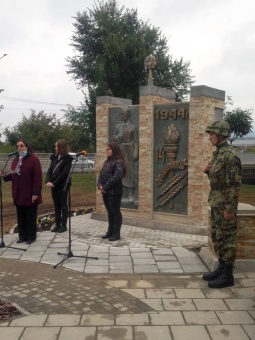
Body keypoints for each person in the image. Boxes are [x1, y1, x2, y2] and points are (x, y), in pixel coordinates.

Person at [202, 120, 242, 288]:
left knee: (228, 239)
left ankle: (228, 275)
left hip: (225, 205)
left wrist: (229, 209)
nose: (209, 137)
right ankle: (221, 268)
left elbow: (233, 185)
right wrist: (208, 172)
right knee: (219, 237)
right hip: (216, 202)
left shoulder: (230, 156)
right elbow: (218, 182)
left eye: (212, 134)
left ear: (220, 135)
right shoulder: (218, 154)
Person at [3, 139, 42, 244]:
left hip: (29, 193)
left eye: (21, 146)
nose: (19, 148)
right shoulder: (16, 160)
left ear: (27, 147)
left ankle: (31, 237)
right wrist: (6, 176)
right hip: (18, 193)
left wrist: (35, 193)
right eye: (17, 146)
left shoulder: (33, 159)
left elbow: (37, 178)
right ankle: (22, 236)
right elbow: (15, 175)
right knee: (20, 216)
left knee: (30, 216)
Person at [97, 142, 126, 241]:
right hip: (105, 192)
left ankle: (116, 233)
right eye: (107, 149)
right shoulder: (107, 162)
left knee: (115, 212)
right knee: (109, 212)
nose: (107, 151)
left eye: (108, 149)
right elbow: (101, 174)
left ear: (114, 150)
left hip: (114, 192)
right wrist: (99, 185)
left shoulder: (118, 162)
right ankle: (110, 231)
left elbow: (116, 177)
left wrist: (105, 187)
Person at [46, 139, 73, 233]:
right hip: (53, 185)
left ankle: (64, 225)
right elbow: (50, 170)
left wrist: (54, 183)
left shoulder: (67, 159)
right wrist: (47, 180)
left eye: (56, 146)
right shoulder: (54, 157)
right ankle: (57, 224)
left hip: (62, 185)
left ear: (61, 147)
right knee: (56, 205)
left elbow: (64, 174)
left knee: (63, 205)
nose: (55, 148)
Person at [113, 106, 138, 204]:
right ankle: (120, 192)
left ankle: (131, 193)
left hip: (130, 150)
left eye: (123, 114)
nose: (122, 116)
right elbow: (113, 138)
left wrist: (136, 152)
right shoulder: (118, 126)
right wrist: (118, 137)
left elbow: (136, 141)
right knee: (120, 171)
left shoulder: (133, 127)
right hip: (120, 150)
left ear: (128, 114)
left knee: (130, 172)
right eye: (121, 114)